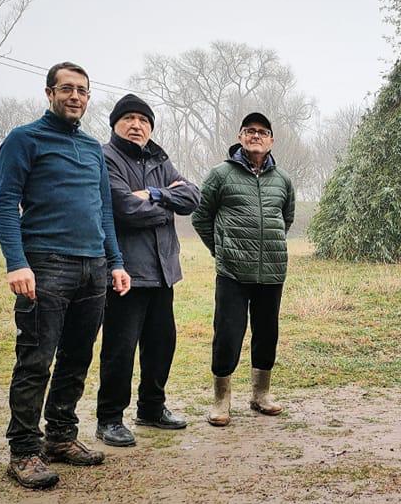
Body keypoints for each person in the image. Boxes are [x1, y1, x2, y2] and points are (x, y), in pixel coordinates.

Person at [0, 62, 131, 489]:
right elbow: (5, 204)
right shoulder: (24, 139)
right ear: (49, 92)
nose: (75, 96)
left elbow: (104, 210)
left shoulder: (92, 149)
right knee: (36, 360)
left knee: (77, 358)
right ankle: (24, 450)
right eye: (67, 88)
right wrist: (17, 262)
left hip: (93, 270)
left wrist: (116, 262)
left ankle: (60, 437)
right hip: (46, 265)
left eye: (83, 91)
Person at [95, 94, 201, 447]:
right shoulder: (105, 158)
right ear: (115, 124)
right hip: (126, 271)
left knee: (161, 344)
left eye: (143, 119)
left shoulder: (160, 159)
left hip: (163, 270)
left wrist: (152, 194)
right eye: (129, 119)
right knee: (119, 349)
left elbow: (192, 197)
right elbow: (122, 207)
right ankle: (109, 418)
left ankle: (151, 408)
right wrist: (165, 206)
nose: (136, 125)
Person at [191, 112, 295, 427]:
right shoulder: (220, 175)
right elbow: (200, 217)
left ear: (272, 141)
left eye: (263, 132)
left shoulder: (283, 180)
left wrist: (267, 247)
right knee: (228, 334)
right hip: (233, 273)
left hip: (272, 271)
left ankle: (260, 395)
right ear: (240, 137)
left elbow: (285, 219)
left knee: (267, 334)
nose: (256, 136)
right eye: (249, 130)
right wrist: (221, 249)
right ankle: (221, 400)